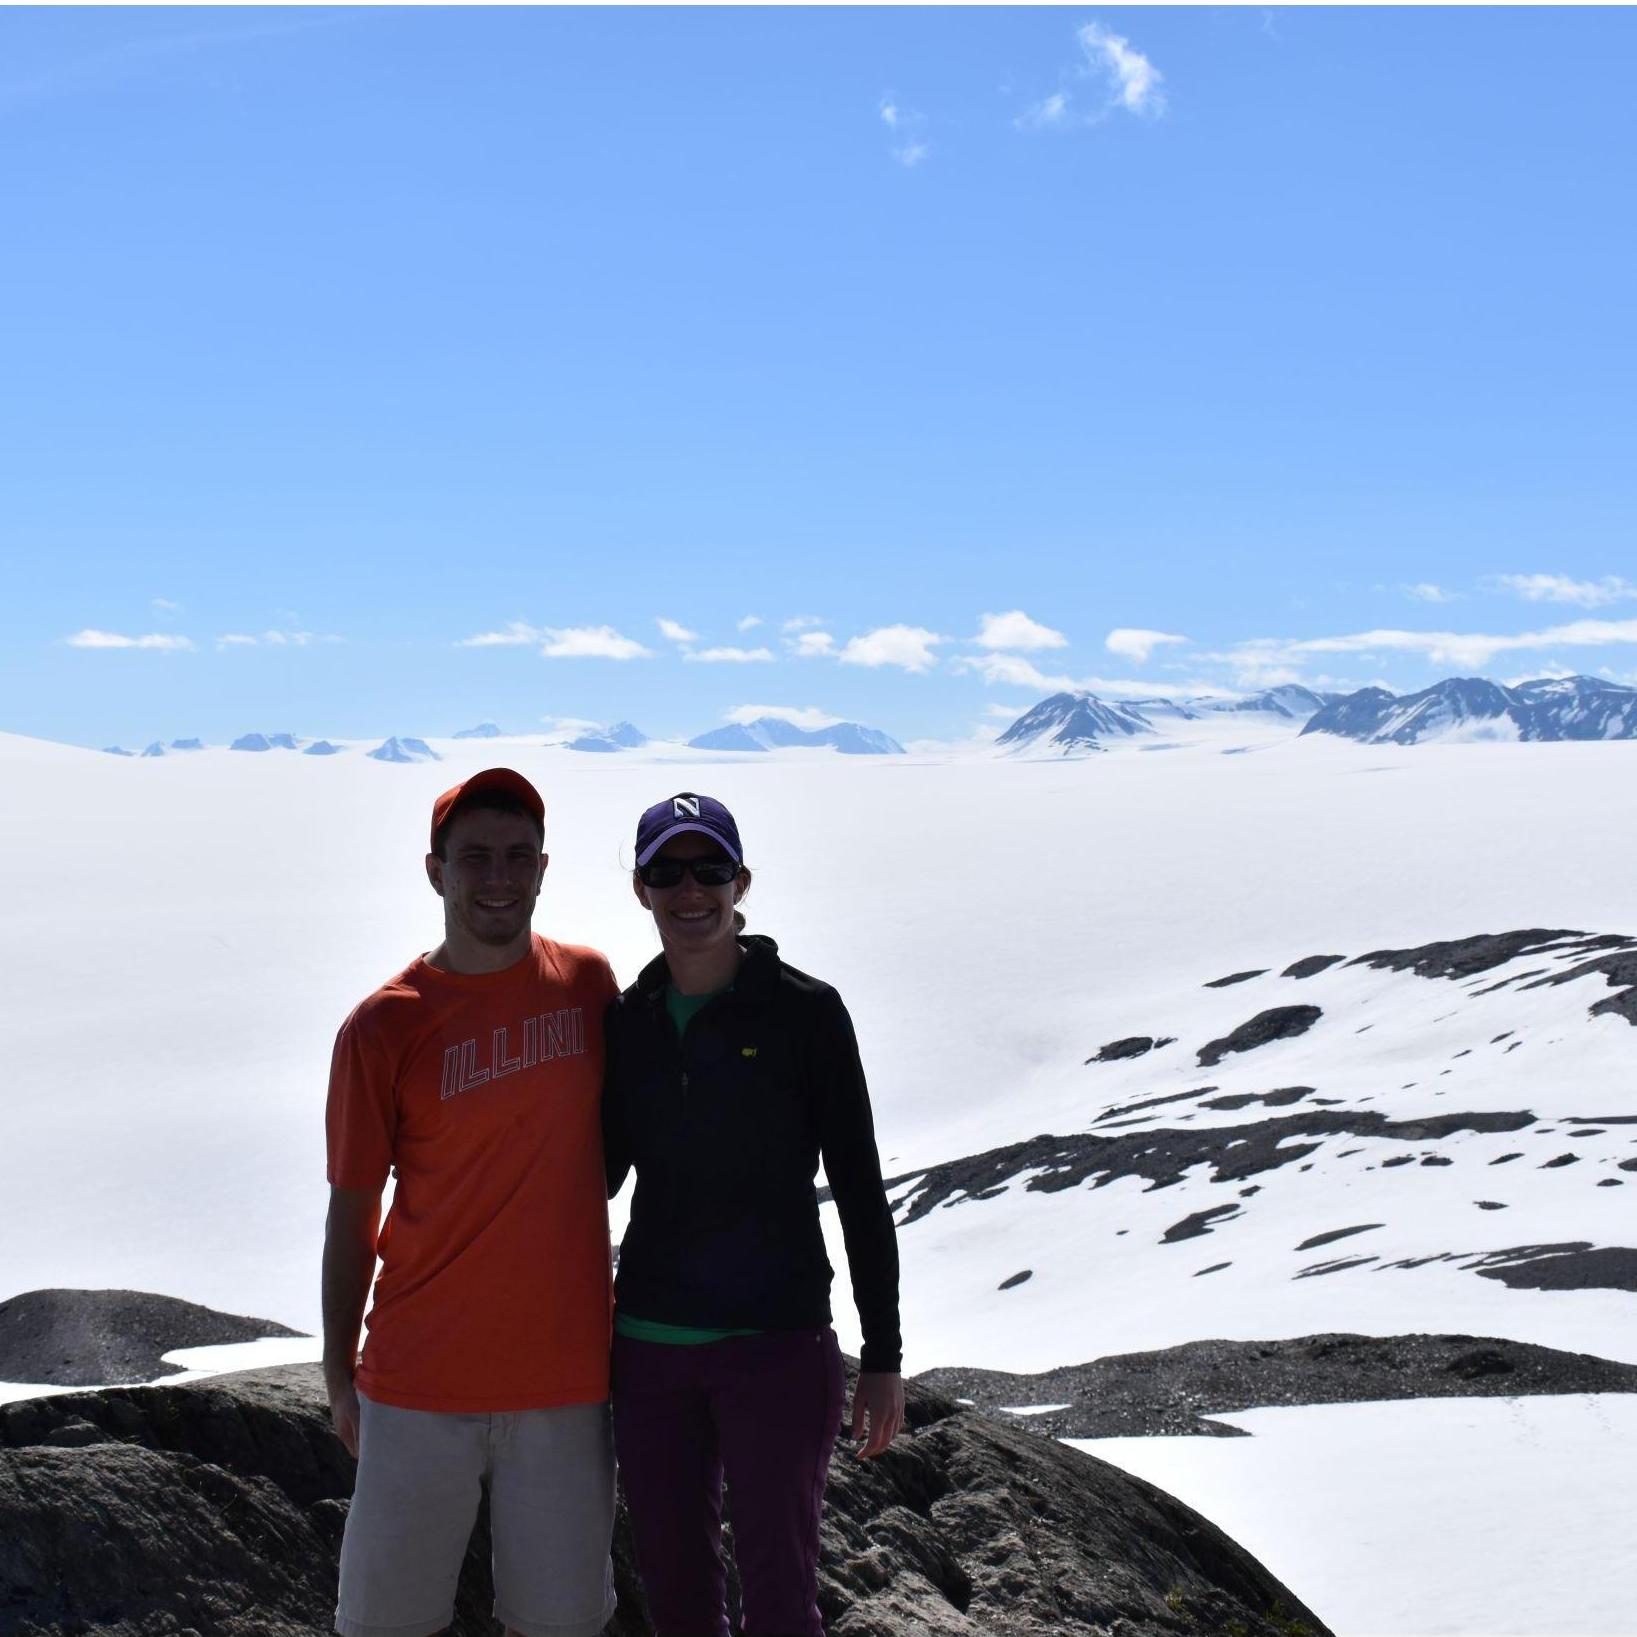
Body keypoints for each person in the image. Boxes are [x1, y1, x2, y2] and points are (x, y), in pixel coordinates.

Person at [322, 767, 619, 1637]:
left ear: (543, 868)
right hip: (418, 1380)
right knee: (385, 1622)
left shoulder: (590, 985)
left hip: (564, 1382)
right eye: (475, 856)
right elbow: (352, 1206)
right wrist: (341, 1371)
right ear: (434, 869)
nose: (498, 875)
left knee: (561, 1623)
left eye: (517, 856)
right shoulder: (384, 1025)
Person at [602, 791, 905, 1637]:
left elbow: (857, 1184)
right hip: (650, 1351)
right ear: (640, 887)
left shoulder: (806, 1012)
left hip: (777, 1347)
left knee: (781, 1597)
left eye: (710, 869)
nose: (689, 889)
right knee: (677, 1595)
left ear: (742, 881)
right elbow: (595, 1171)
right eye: (667, 870)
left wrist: (882, 1352)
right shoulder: (627, 1022)